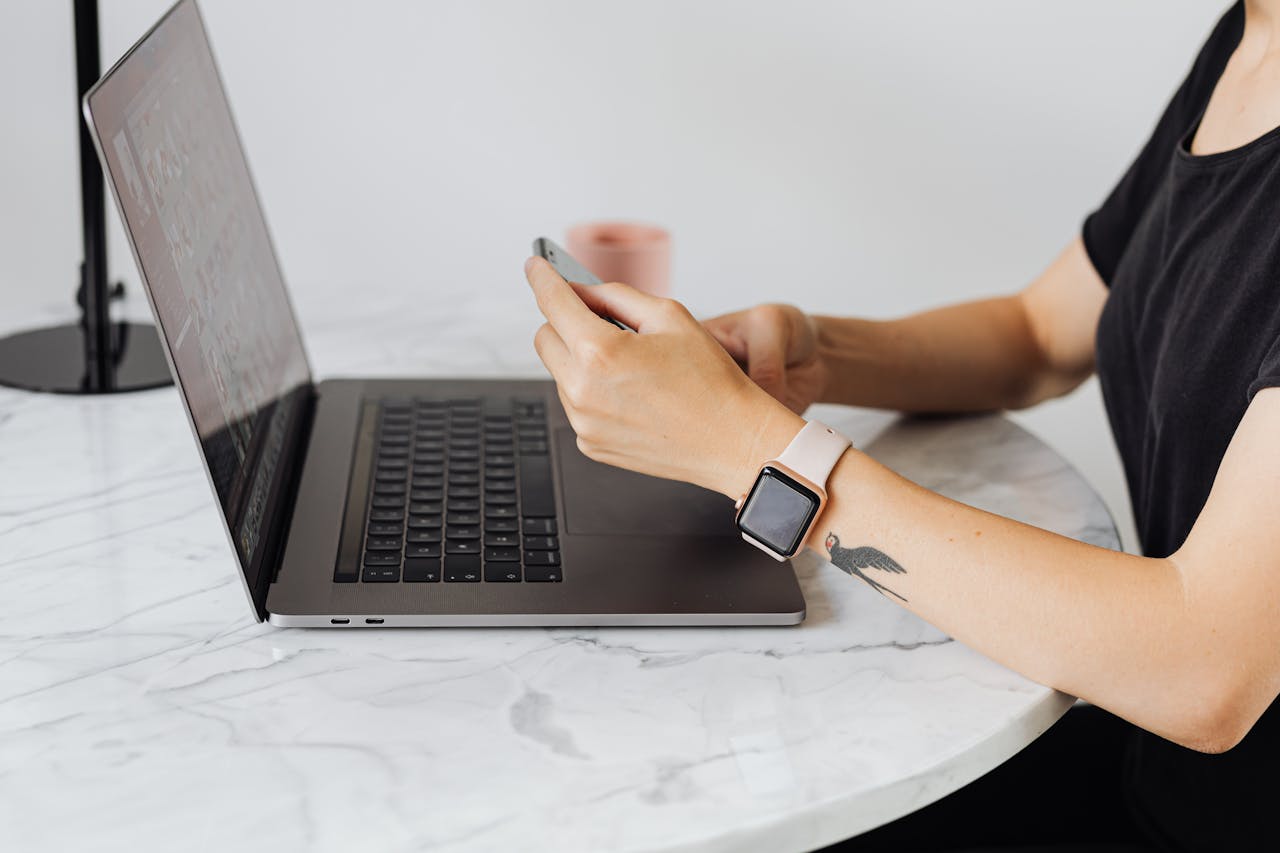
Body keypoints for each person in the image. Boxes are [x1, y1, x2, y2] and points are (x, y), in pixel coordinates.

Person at [523, 1, 1280, 849]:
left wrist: (756, 452)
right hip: (1155, 770)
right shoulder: (1251, 42)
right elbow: (1040, 335)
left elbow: (1204, 668)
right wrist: (813, 355)